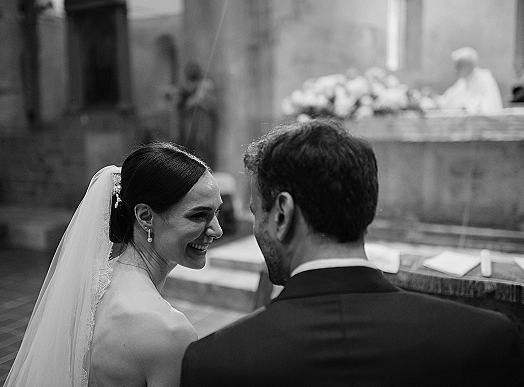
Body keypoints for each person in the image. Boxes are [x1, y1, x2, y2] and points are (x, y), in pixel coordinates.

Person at [180, 119, 524, 387]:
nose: (256, 228)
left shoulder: (216, 361)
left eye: (257, 213)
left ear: (282, 214)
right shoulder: (486, 339)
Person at [3, 142, 223, 387]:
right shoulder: (170, 333)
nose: (217, 230)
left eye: (216, 212)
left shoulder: (91, 285)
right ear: (145, 216)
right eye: (198, 215)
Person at [176, 61, 218, 167]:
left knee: (203, 144)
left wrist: (186, 102)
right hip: (192, 121)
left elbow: (196, 100)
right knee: (191, 144)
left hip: (203, 119)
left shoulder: (205, 84)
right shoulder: (189, 86)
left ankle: (206, 167)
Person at [437, 46, 503, 113]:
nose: (456, 70)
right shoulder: (462, 82)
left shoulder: (484, 79)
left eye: (459, 65)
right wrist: (434, 98)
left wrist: (467, 108)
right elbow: (447, 101)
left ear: (469, 64)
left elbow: (487, 107)